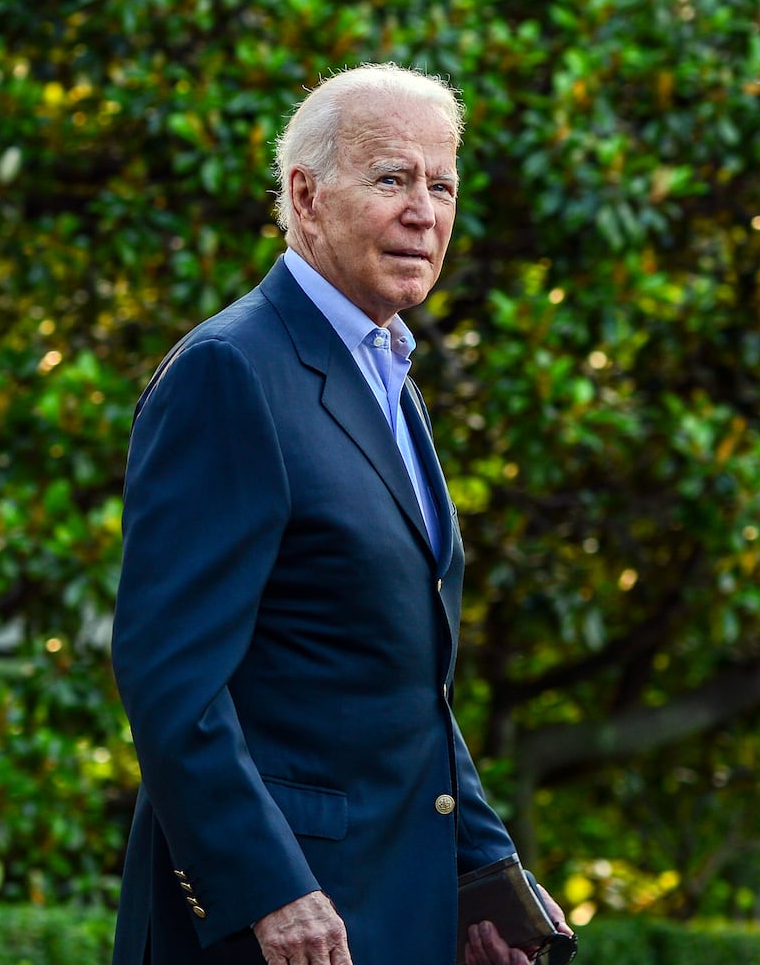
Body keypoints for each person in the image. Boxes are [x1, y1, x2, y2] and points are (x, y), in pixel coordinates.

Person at [110, 62, 572, 965]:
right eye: (392, 178)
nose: (424, 212)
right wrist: (269, 888)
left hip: (393, 901)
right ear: (306, 195)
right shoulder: (230, 370)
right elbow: (170, 680)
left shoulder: (388, 374)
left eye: (442, 185)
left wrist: (484, 870)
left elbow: (405, 684)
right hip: (280, 926)